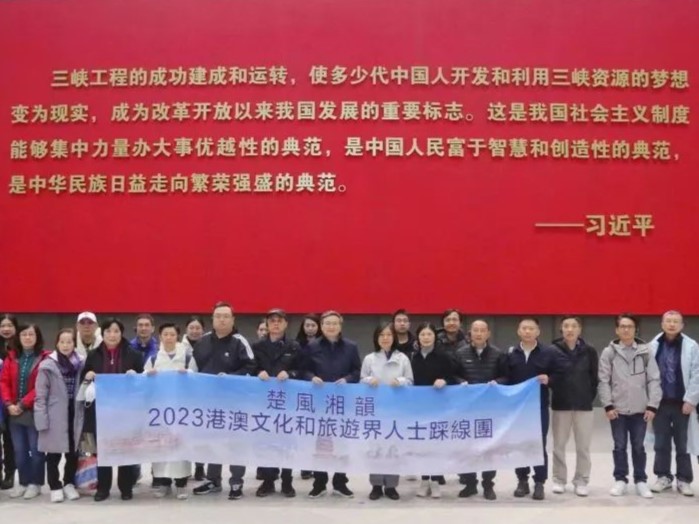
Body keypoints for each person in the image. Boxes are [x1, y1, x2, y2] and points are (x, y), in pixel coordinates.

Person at [192, 302, 255, 500]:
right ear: (212, 319)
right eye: (218, 316)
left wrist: (231, 378)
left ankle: (236, 482)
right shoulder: (202, 342)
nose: (222, 319)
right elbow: (194, 368)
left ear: (233, 319)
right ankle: (213, 480)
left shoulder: (240, 342)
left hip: (235, 402)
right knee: (212, 441)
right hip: (209, 403)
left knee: (236, 443)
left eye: (226, 316)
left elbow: (252, 367)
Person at [598, 313, 661, 499]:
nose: (626, 329)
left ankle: (640, 481)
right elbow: (603, 381)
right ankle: (620, 480)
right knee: (619, 446)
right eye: (622, 326)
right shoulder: (609, 352)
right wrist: (608, 405)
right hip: (617, 410)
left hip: (640, 409)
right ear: (617, 330)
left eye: (630, 326)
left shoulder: (645, 351)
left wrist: (652, 405)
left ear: (635, 329)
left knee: (639, 446)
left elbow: (654, 379)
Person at [81, 318, 144, 501]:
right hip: (101, 410)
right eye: (108, 331)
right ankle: (103, 488)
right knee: (103, 450)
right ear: (102, 333)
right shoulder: (93, 355)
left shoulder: (134, 354)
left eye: (116, 331)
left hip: (126, 411)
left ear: (121, 334)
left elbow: (143, 383)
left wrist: (136, 376)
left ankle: (126, 487)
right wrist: (88, 375)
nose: (112, 335)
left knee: (125, 449)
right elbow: (84, 382)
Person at [505, 317, 568, 501]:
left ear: (538, 332)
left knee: (538, 444)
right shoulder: (511, 354)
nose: (527, 331)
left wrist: (550, 379)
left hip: (538, 407)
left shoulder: (548, 352)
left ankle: (539, 482)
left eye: (531, 328)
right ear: (518, 331)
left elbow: (561, 373)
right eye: (524, 328)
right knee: (519, 444)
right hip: (517, 409)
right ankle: (522, 480)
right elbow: (506, 378)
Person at [303, 310, 361, 499]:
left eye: (335, 323)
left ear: (340, 326)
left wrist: (348, 379)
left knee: (342, 443)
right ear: (321, 326)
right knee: (321, 444)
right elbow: (304, 370)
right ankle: (319, 483)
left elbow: (357, 371)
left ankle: (340, 482)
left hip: (343, 402)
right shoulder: (312, 346)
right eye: (327, 323)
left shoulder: (351, 347)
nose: (331, 327)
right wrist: (312, 377)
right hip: (319, 402)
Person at [452, 319, 507, 500]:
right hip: (467, 410)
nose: (479, 333)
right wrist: (461, 382)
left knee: (489, 449)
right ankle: (470, 484)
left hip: (490, 410)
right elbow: (453, 375)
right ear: (470, 333)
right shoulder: (460, 353)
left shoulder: (498, 354)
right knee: (467, 448)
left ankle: (488, 485)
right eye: (475, 330)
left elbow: (507, 376)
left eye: (482, 330)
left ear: (488, 333)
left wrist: (497, 382)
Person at [648, 310, 699, 496]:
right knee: (661, 443)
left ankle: (684, 479)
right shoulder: (653, 346)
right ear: (662, 324)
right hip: (660, 403)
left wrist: (691, 399)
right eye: (668, 321)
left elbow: (697, 374)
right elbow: (648, 375)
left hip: (682, 404)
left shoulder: (691, 346)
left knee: (683, 443)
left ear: (682, 325)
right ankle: (663, 477)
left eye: (675, 321)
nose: (671, 324)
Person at [361, 322, 413, 501]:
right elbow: (361, 380)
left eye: (389, 335)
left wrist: (400, 381)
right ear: (376, 338)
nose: (385, 338)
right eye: (381, 335)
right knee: (375, 448)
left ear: (394, 337)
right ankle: (376, 485)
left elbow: (410, 380)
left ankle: (391, 486)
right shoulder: (369, 358)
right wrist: (369, 380)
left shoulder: (403, 358)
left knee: (393, 448)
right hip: (375, 409)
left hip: (395, 409)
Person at [253, 309, 301, 498]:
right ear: (267, 324)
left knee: (287, 442)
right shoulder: (257, 346)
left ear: (286, 324)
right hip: (264, 401)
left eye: (279, 320)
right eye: (272, 320)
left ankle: (287, 481)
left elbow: (303, 369)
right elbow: (251, 366)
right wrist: (258, 372)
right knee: (266, 441)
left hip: (287, 400)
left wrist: (291, 374)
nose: (275, 323)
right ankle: (268, 480)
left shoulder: (294, 346)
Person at [144, 323, 195, 500]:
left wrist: (188, 374)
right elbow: (143, 382)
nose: (169, 337)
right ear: (160, 337)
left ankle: (181, 485)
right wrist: (148, 376)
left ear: (177, 337)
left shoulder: (187, 357)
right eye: (165, 334)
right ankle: (163, 483)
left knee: (181, 446)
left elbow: (197, 380)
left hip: (181, 411)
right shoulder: (153, 358)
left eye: (172, 334)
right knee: (161, 447)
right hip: (159, 411)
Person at [550, 316, 599, 497]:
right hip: (560, 405)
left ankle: (581, 481)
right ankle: (559, 480)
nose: (570, 329)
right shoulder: (553, 350)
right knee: (558, 446)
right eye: (566, 326)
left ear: (580, 329)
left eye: (574, 326)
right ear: (561, 329)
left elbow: (594, 378)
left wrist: (586, 397)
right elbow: (550, 376)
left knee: (583, 447)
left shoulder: (589, 351)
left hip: (583, 406)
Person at [0, 323, 50, 499]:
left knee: (35, 450)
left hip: (34, 410)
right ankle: (23, 482)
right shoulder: (11, 358)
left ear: (37, 337)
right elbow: (3, 382)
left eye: (31, 334)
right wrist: (8, 404)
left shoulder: (44, 358)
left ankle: (36, 483)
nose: (27, 338)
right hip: (13, 411)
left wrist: (22, 404)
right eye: (24, 335)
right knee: (19, 450)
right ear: (18, 338)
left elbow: (41, 386)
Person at [34, 328, 84, 503]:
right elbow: (40, 396)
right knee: (53, 454)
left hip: (75, 412)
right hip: (54, 414)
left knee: (73, 452)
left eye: (69, 342)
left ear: (74, 344)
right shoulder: (48, 365)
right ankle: (55, 486)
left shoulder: (81, 363)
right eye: (62, 342)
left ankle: (69, 483)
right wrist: (41, 419)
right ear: (56, 343)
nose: (65, 345)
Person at [411, 322, 455, 499]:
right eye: (422, 334)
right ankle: (424, 480)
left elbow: (452, 377)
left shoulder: (444, 356)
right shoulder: (413, 357)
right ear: (418, 337)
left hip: (439, 407)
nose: (426, 338)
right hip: (419, 408)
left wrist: (444, 380)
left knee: (436, 446)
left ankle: (435, 481)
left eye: (429, 334)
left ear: (435, 337)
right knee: (422, 446)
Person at [179, 315, 206, 480]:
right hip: (182, 397)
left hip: (202, 396)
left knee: (200, 435)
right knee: (183, 434)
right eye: (192, 328)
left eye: (198, 328)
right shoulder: (178, 347)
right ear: (186, 329)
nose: (195, 331)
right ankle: (183, 468)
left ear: (203, 330)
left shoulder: (208, 345)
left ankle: (200, 467)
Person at [295, 313, 320, 480]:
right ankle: (305, 465)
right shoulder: (297, 345)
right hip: (303, 391)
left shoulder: (324, 344)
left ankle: (317, 464)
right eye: (307, 325)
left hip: (322, 390)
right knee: (305, 431)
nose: (310, 328)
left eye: (313, 325)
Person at [0, 313, 18, 490]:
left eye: (9, 325)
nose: (6, 329)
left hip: (14, 402)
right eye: (2, 325)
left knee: (10, 440)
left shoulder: (21, 347)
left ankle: (10, 473)